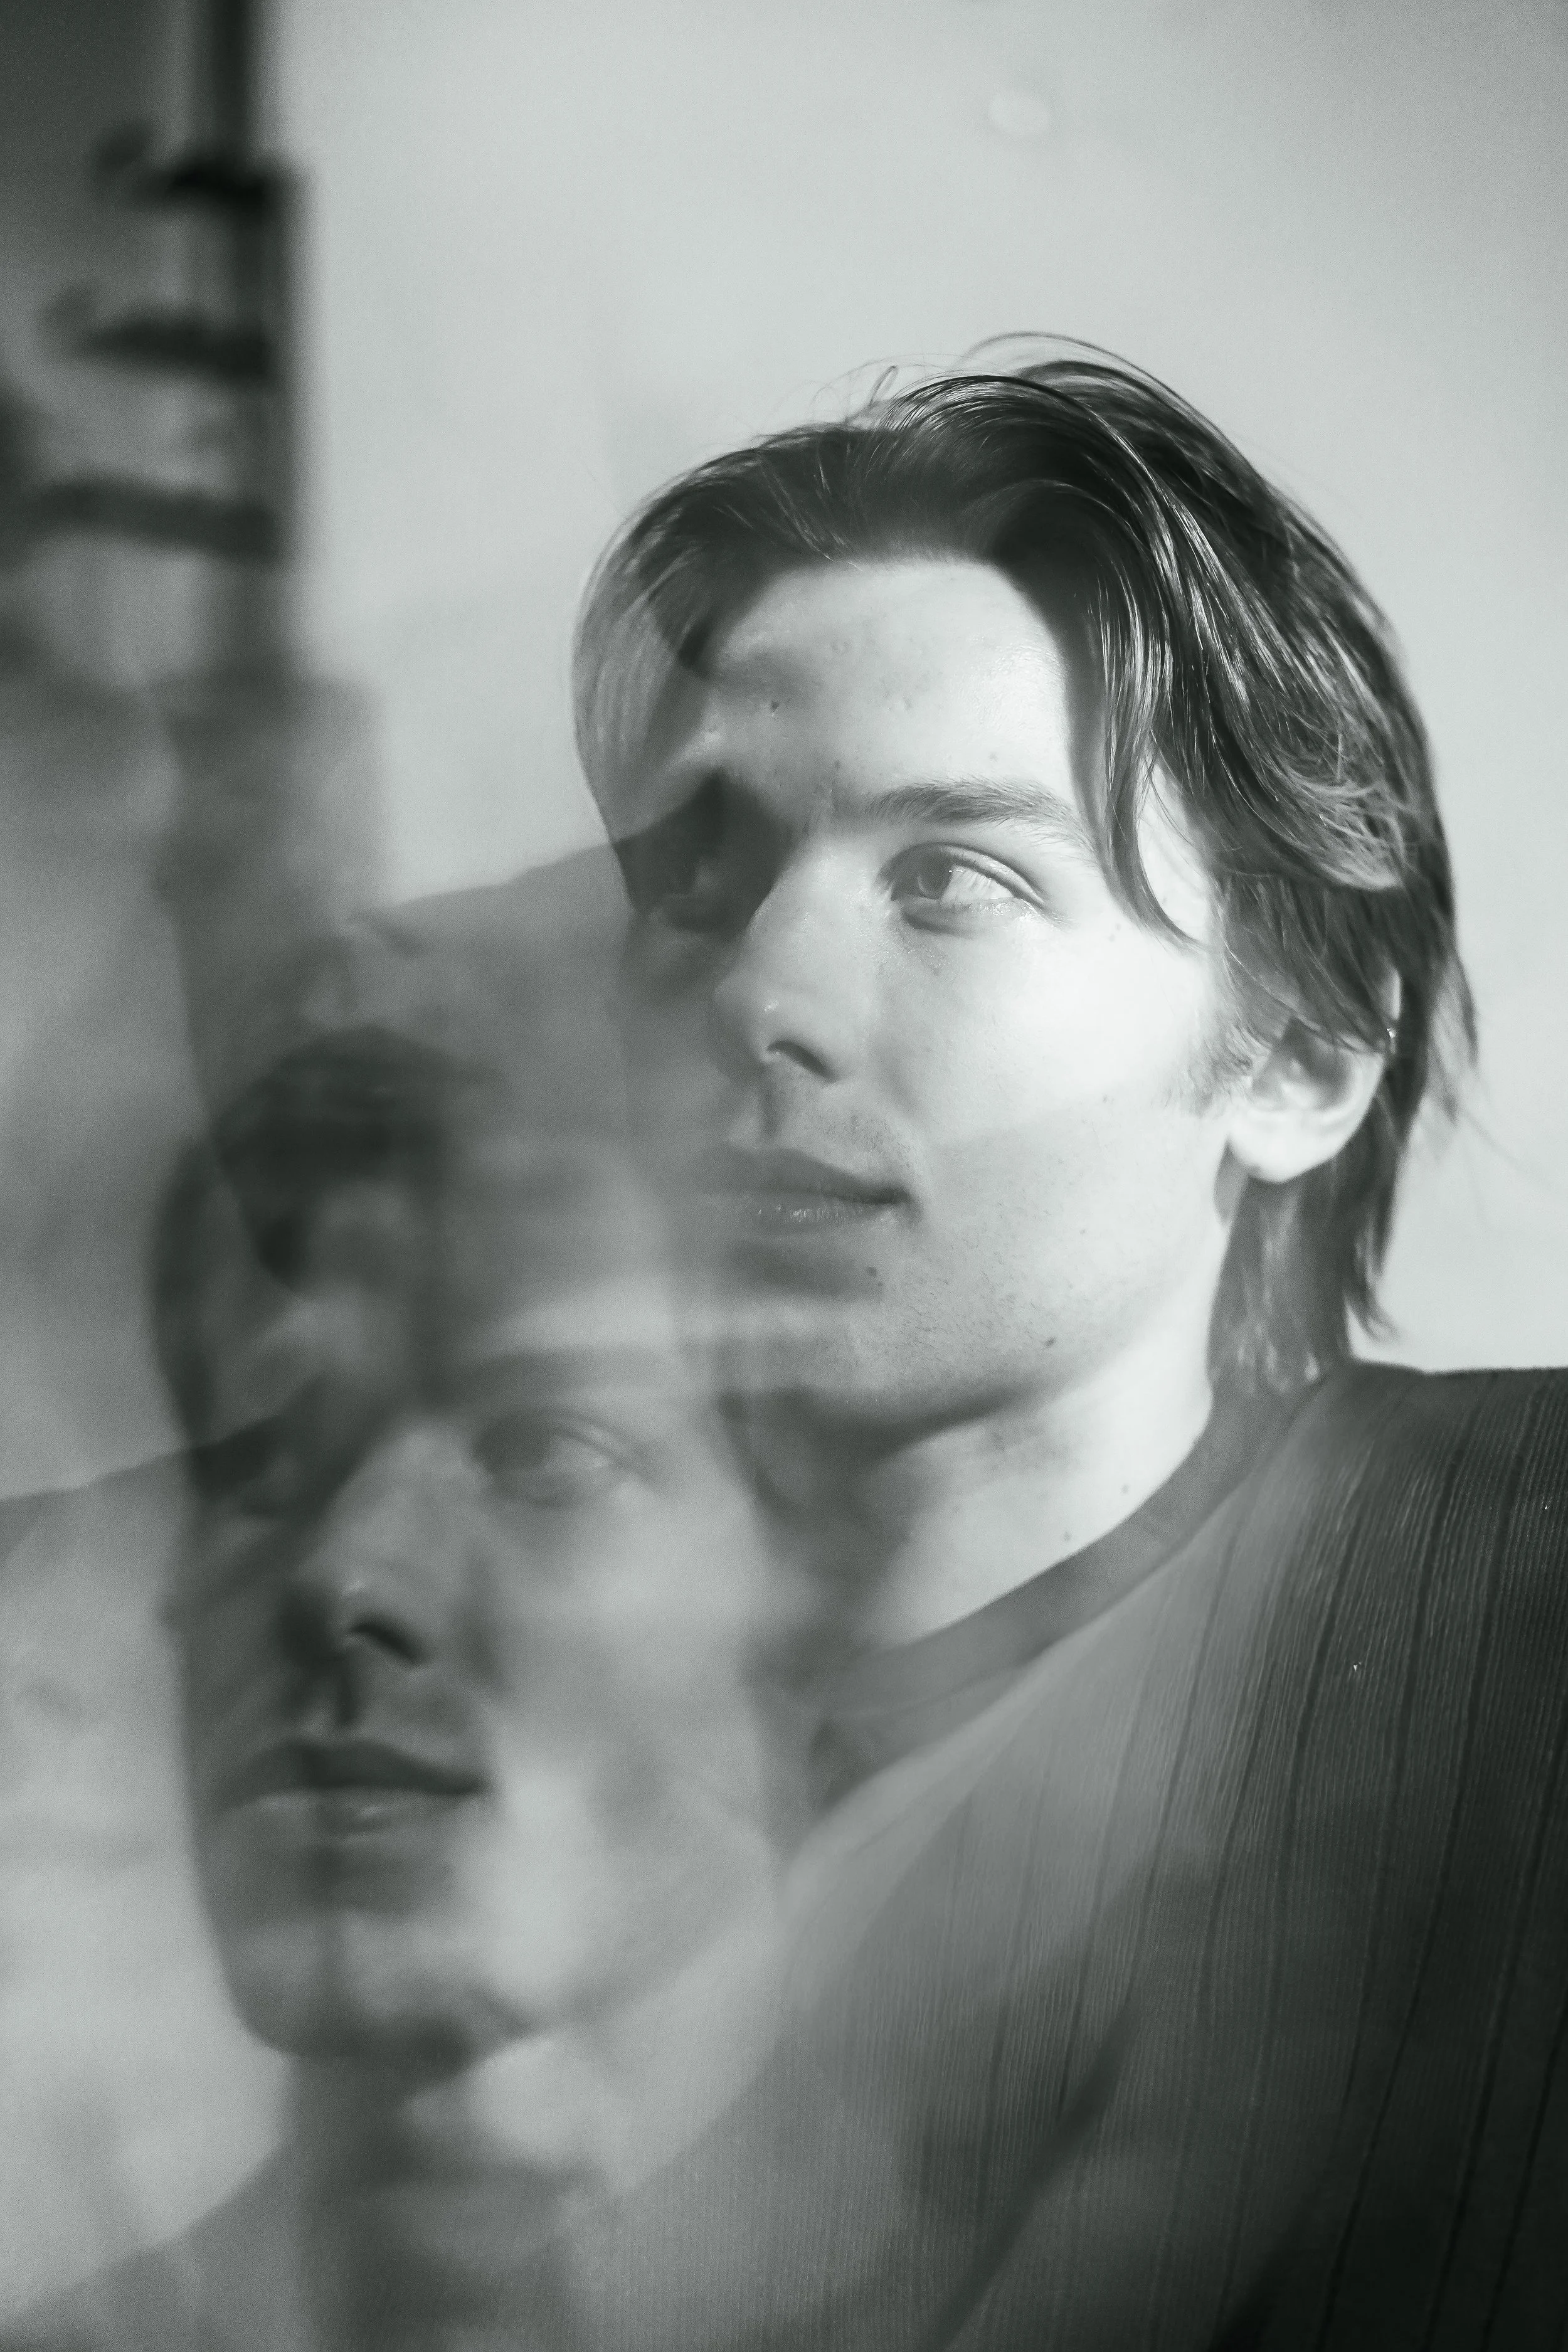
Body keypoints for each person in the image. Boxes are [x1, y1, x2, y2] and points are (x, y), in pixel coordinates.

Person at [563, 352, 1568, 2345]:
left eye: (953, 878)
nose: (757, 986)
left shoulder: (1520, 1603)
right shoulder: (396, 1667)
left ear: (1296, 1053)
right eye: (704, 873)